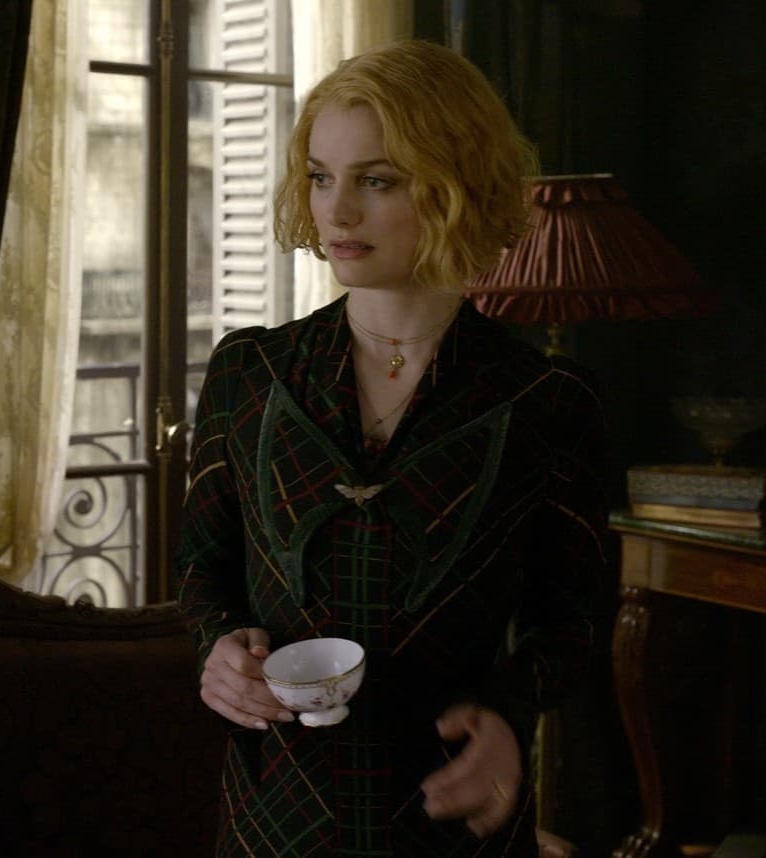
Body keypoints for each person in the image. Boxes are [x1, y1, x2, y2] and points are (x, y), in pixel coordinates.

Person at [174, 40, 609, 855]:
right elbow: (202, 566)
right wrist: (218, 648)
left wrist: (506, 716)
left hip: (446, 820)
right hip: (275, 818)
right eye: (320, 176)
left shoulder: (547, 402)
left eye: (376, 181)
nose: (336, 212)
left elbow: (570, 625)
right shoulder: (249, 372)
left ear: (455, 188)